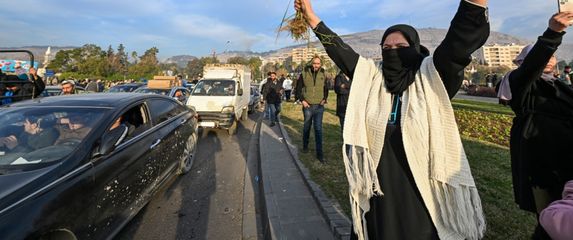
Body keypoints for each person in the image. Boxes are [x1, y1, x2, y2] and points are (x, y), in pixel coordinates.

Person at [295, 0, 489, 239]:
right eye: (386, 48)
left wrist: (474, 4)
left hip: (421, 192)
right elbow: (340, 50)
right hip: (379, 190)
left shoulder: (432, 76)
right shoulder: (373, 76)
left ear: (415, 48)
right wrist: (312, 18)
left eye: (400, 45)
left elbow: (457, 44)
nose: (392, 51)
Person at [507, 12, 573, 239]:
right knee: (550, 217)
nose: (551, 57)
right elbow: (531, 67)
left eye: (554, 54)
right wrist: (553, 35)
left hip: (567, 159)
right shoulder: (521, 85)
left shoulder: (562, 85)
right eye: (546, 54)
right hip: (541, 160)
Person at [295, 56, 328, 163]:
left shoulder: (323, 73)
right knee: (307, 127)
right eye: (314, 63)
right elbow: (298, 89)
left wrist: (324, 99)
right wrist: (303, 100)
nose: (316, 65)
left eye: (318, 64)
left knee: (318, 129)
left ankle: (320, 154)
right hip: (308, 106)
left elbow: (325, 88)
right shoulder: (304, 73)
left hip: (319, 106)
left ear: (320, 64)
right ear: (311, 63)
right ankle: (305, 146)